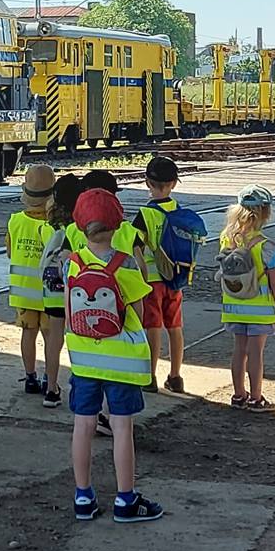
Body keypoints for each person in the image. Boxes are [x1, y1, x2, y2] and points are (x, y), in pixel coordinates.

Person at [63, 189, 162, 524]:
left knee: (83, 424)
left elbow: (68, 313)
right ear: (118, 225)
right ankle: (125, 499)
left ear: (80, 226)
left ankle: (82, 496)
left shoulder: (72, 264)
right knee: (121, 427)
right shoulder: (127, 265)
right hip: (122, 361)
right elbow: (137, 313)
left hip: (84, 359)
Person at [220, 185, 275, 410]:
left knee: (239, 350)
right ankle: (257, 398)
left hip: (233, 306)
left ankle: (238, 395)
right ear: (265, 213)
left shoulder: (226, 240)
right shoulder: (266, 246)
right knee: (255, 352)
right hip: (260, 309)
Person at [136, 155, 187, 393]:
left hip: (153, 280)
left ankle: (150, 376)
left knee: (153, 326)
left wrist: (142, 274)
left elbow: (135, 247)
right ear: (174, 183)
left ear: (147, 182)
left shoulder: (145, 215)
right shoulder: (179, 211)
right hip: (175, 279)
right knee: (175, 326)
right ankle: (176, 376)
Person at [5, 164, 55, 396]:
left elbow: (9, 251)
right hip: (48, 293)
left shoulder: (15, 220)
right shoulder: (52, 227)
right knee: (50, 336)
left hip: (22, 292)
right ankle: (49, 378)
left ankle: (30, 377)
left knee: (28, 333)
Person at [37, 172, 85, 409]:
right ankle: (81, 384)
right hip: (75, 290)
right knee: (78, 337)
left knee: (53, 339)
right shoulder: (80, 229)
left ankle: (51, 388)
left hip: (51, 288)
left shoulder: (49, 227)